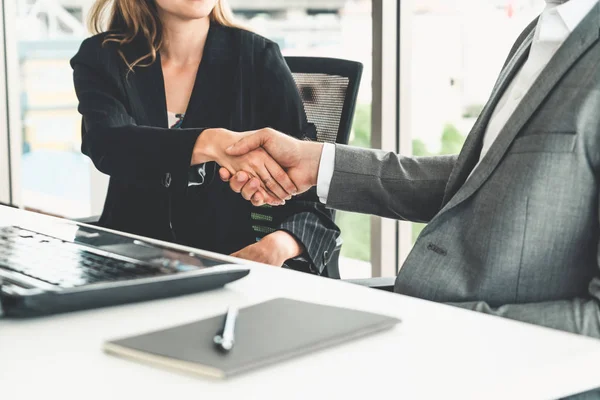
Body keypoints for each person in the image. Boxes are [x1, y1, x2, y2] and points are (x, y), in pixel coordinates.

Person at [220, 0, 600, 337]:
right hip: (421, 316)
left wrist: (435, 324)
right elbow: (478, 181)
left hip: (483, 348)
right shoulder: (539, 33)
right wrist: (318, 163)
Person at [70, 0, 339, 274]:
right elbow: (109, 144)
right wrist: (210, 142)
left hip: (225, 265)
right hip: (126, 263)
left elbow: (313, 199)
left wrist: (277, 246)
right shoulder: (103, 56)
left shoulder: (257, 57)